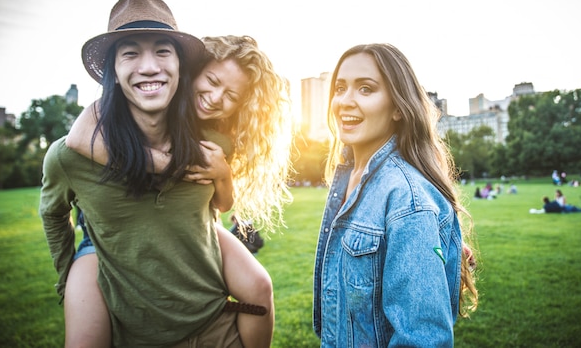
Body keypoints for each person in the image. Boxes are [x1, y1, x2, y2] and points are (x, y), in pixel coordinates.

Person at [40, 0, 244, 347]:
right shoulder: (71, 154)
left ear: (181, 67)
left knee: (261, 287)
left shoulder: (212, 146)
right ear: (114, 73)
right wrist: (69, 273)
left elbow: (217, 210)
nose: (149, 66)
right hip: (126, 320)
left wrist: (223, 175)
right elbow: (53, 213)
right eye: (130, 53)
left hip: (214, 323)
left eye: (163, 51)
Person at [63, 34, 292, 347]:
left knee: (259, 285)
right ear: (193, 70)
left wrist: (223, 175)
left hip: (195, 222)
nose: (214, 97)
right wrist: (164, 164)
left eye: (230, 96)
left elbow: (223, 205)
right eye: (211, 81)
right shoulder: (154, 100)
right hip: (109, 231)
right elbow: (78, 139)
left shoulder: (218, 135)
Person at [313, 43, 478, 347]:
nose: (345, 101)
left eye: (365, 89)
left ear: (399, 108)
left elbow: (423, 340)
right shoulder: (349, 178)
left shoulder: (407, 197)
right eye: (340, 88)